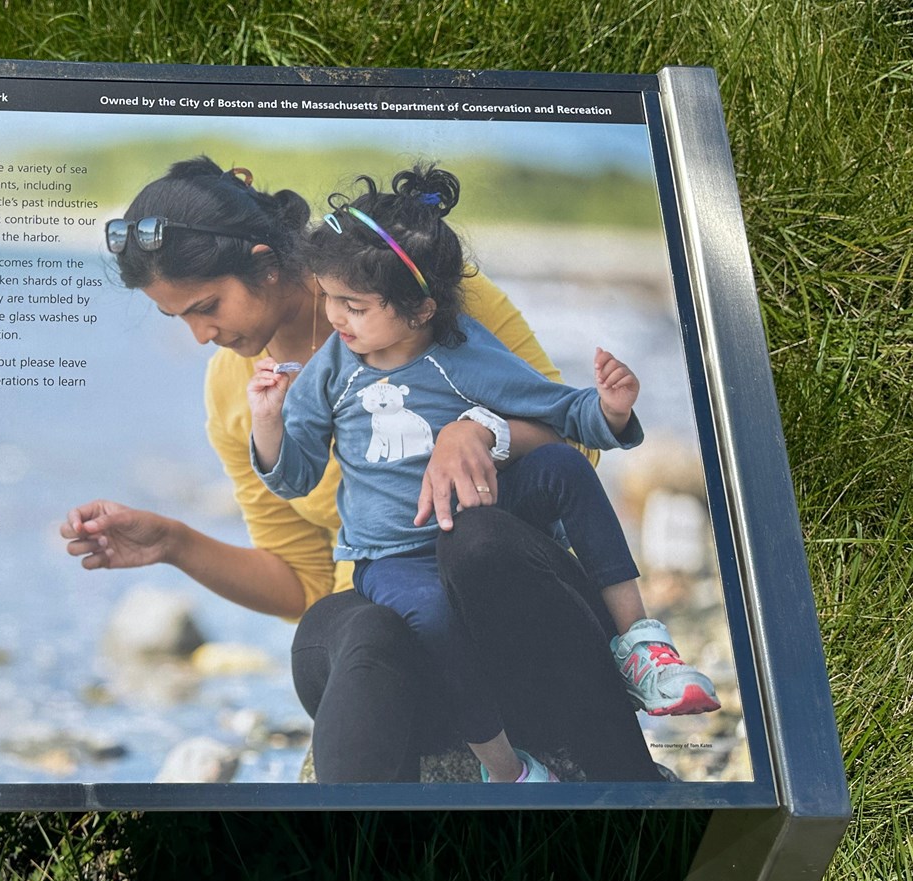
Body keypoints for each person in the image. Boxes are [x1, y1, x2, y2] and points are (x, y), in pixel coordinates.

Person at [62, 156, 664, 783]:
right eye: (178, 317)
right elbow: (300, 579)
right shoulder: (235, 392)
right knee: (350, 625)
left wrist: (480, 431)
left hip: (518, 615)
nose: (198, 334)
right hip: (410, 634)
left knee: (474, 541)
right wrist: (174, 543)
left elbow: (578, 446)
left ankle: (626, 784)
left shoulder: (414, 285)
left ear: (266, 264)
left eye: (206, 305)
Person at [247, 166, 718, 782]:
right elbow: (295, 476)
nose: (335, 317)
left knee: (556, 464)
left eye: (354, 306)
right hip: (395, 556)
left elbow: (559, 410)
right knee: (435, 615)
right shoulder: (334, 369)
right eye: (331, 297)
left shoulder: (462, 352)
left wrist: (610, 408)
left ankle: (643, 648)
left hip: (479, 530)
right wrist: (267, 422)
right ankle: (507, 769)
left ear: (419, 309)